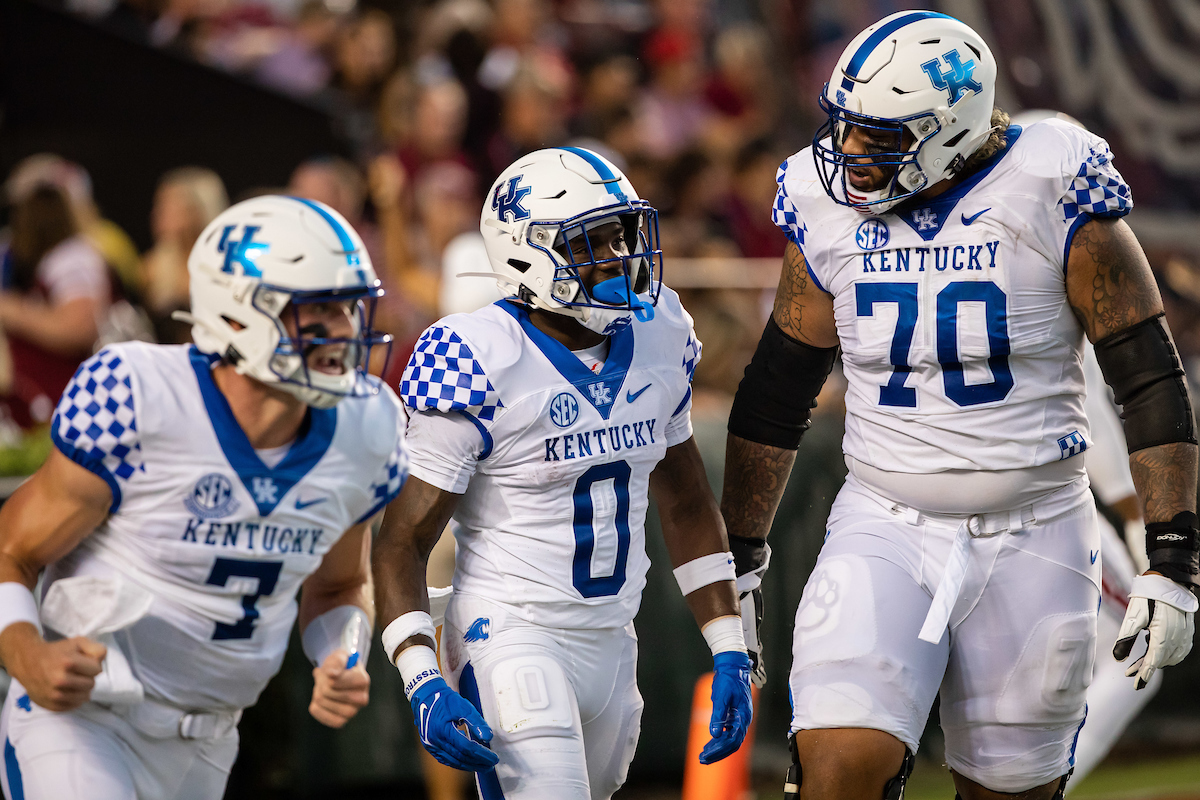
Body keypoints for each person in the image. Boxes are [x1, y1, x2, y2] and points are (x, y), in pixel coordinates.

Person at [717, 11, 1197, 800]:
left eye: (878, 137)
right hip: (885, 520)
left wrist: (1173, 553)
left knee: (1012, 791)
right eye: (845, 129)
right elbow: (779, 386)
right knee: (836, 768)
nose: (848, 154)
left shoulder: (1050, 187)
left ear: (948, 129)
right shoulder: (824, 202)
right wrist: (738, 551)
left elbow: (1146, 375)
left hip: (1036, 528)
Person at [372, 147, 754, 800]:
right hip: (510, 629)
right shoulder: (475, 355)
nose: (619, 256)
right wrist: (421, 678)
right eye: (592, 241)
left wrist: (729, 646)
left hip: (612, 637)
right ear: (526, 253)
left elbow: (687, 502)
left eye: (622, 234)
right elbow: (402, 538)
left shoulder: (659, 328)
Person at [0, 195, 407, 800]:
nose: (346, 332)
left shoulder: (366, 427)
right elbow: (13, 548)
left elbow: (339, 586)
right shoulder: (140, 397)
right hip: (86, 721)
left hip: (210, 745)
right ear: (237, 314)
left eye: (349, 308)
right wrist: (25, 651)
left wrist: (340, 653)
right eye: (316, 311)